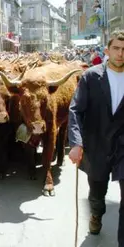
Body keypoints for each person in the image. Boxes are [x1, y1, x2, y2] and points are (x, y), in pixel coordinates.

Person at [68, 30, 124, 246]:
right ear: (107, 50)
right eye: (116, 48)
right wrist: (76, 143)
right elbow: (75, 111)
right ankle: (96, 214)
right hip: (97, 144)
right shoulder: (91, 76)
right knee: (97, 192)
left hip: (122, 147)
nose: (120, 53)